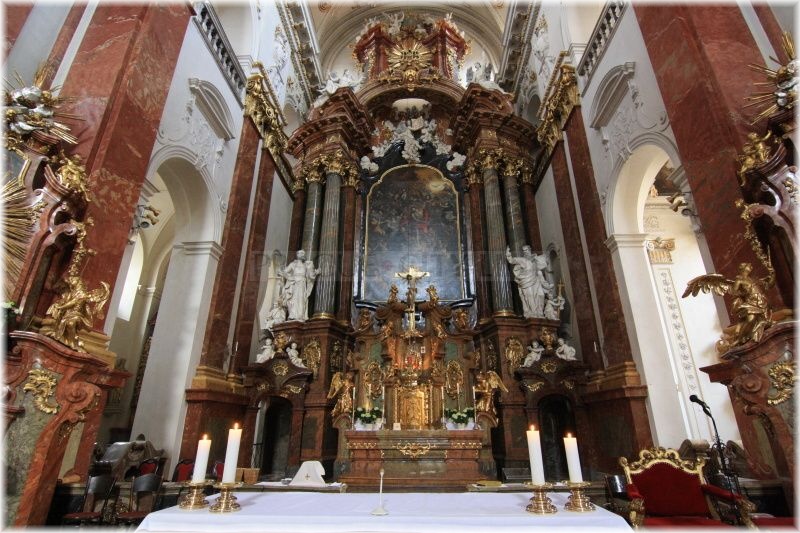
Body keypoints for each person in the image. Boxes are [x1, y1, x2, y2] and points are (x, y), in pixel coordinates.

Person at [505, 245, 552, 318]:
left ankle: (539, 313)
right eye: (524, 251)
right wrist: (508, 254)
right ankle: (533, 314)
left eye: (526, 250)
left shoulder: (536, 258)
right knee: (530, 297)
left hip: (536, 280)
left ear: (530, 249)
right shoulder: (522, 260)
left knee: (541, 295)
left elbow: (545, 261)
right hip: (526, 281)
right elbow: (512, 260)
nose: (525, 252)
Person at [279, 250, 320, 321]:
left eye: (303, 253)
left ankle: (300, 316)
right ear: (297, 255)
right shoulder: (292, 264)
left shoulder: (306, 265)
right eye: (300, 253)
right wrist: (289, 277)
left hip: (302, 283)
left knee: (301, 298)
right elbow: (285, 272)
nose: (302, 254)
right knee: (293, 299)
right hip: (294, 283)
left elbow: (310, 275)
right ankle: (293, 315)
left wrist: (315, 273)